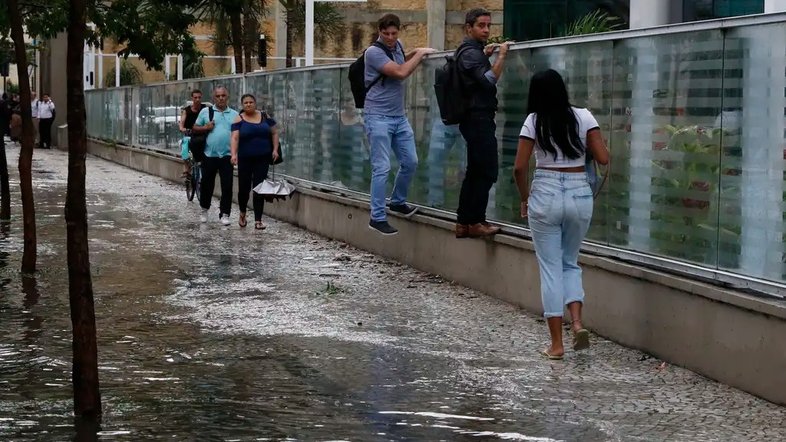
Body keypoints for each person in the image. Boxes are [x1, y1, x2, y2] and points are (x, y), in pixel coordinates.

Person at [513, 69, 610, 360]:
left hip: (545, 193)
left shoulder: (533, 121)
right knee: (570, 262)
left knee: (550, 268)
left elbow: (519, 167)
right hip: (580, 194)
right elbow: (604, 159)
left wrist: (524, 198)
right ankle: (577, 322)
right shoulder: (584, 117)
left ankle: (556, 345)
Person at [363, 13, 435, 235]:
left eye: (394, 33)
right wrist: (421, 53)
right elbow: (401, 72)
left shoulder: (398, 45)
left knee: (411, 161)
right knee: (382, 167)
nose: (391, 38)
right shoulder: (373, 52)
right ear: (379, 32)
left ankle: (397, 201)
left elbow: (403, 60)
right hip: (377, 116)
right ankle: (377, 216)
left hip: (398, 116)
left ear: (399, 31)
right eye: (386, 34)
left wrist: (416, 53)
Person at [454, 8, 512, 238]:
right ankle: (476, 221)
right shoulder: (470, 53)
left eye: (488, 25)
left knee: (475, 171)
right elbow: (489, 81)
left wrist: (486, 56)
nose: (486, 30)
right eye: (481, 25)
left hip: (474, 118)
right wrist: (502, 56)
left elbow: (474, 79)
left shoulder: (472, 52)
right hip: (477, 118)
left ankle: (464, 223)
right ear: (469, 28)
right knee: (487, 170)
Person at [230, 94, 279, 230]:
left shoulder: (265, 117)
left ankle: (258, 219)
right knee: (244, 189)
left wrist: (275, 149)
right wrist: (234, 154)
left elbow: (274, 132)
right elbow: (234, 138)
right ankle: (242, 213)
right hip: (245, 158)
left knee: (259, 189)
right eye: (245, 103)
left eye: (251, 102)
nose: (248, 105)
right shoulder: (238, 119)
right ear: (242, 105)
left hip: (262, 158)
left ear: (255, 103)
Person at [192, 86, 238, 226]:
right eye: (218, 96)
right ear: (214, 97)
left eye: (223, 95)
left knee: (227, 185)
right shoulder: (206, 112)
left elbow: (238, 136)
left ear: (227, 96)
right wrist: (205, 127)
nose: (221, 98)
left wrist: (236, 154)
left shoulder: (234, 114)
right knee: (206, 184)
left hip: (227, 155)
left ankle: (225, 213)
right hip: (209, 154)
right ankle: (204, 209)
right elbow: (194, 127)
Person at [179, 89, 208, 177]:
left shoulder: (205, 109)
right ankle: (187, 169)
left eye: (199, 97)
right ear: (192, 98)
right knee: (185, 146)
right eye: (195, 97)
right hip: (190, 135)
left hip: (203, 134)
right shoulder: (187, 111)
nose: (197, 99)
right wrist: (183, 129)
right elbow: (181, 124)